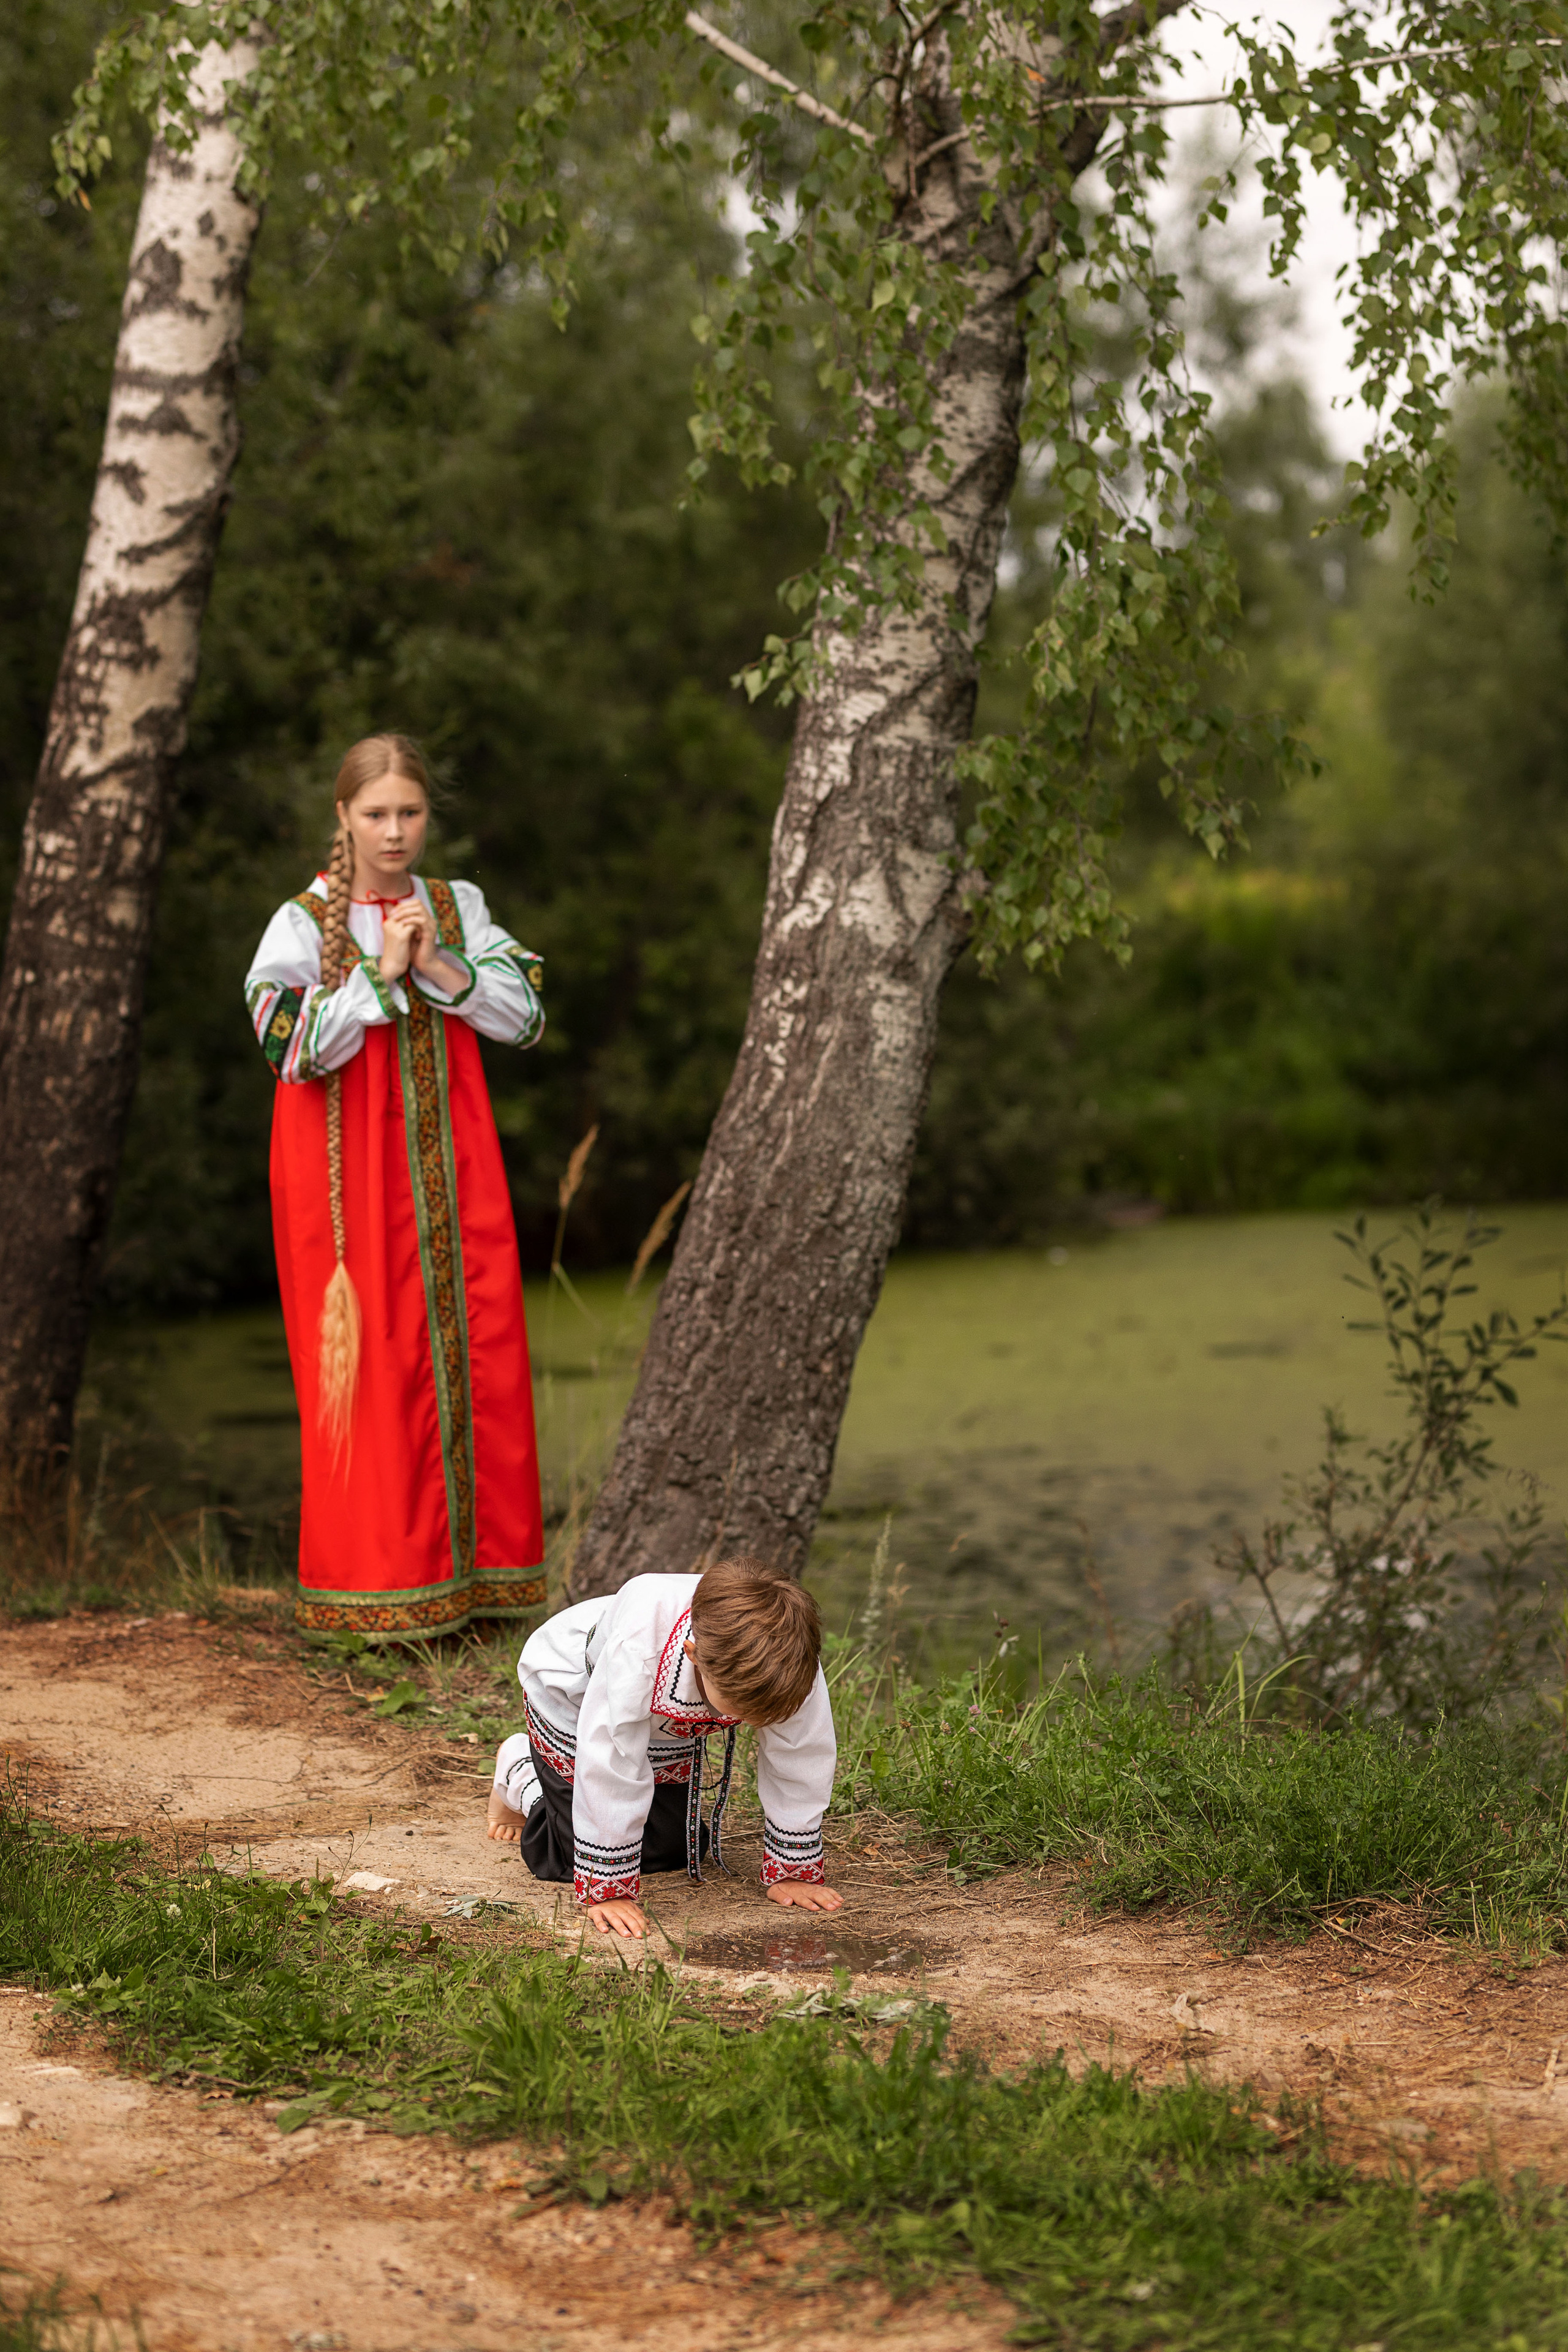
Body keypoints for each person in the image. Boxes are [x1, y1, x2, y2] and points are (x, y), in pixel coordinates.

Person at [244, 733, 547, 1639]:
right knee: (371, 1369)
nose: (394, 831)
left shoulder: (456, 907)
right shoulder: (303, 922)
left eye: (409, 812)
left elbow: (525, 1016)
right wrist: (377, 980)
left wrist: (438, 967)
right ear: (344, 816)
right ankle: (376, 1592)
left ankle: (483, 1588)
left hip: (454, 1170)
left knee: (477, 1346)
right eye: (376, 814)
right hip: (344, 1185)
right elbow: (283, 1046)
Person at [486, 1557, 842, 1939]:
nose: (750, 1721)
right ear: (693, 1654)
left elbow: (802, 1752)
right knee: (568, 1858)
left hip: (663, 1719)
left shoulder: (789, 1655)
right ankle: (520, 1768)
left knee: (674, 1851)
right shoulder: (639, 1647)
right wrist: (608, 1888)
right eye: (739, 1709)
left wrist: (792, 1869)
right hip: (576, 1697)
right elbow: (614, 1756)